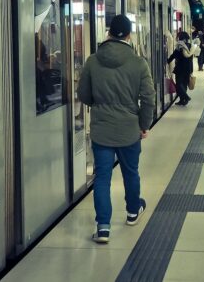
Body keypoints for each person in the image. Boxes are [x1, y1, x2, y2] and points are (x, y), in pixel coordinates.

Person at [77, 14, 155, 244]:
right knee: (131, 172)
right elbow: (148, 98)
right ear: (129, 35)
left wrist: (99, 106)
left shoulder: (92, 60)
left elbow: (83, 94)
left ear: (109, 32)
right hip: (130, 129)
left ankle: (103, 228)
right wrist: (144, 125)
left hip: (102, 130)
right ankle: (132, 212)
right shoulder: (139, 63)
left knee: (102, 178)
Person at [167, 32, 194, 106]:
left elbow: (174, 55)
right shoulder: (190, 46)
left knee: (179, 84)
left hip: (180, 68)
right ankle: (183, 100)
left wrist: (167, 61)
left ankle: (186, 97)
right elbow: (191, 58)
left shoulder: (179, 46)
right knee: (184, 84)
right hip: (188, 68)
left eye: (179, 37)